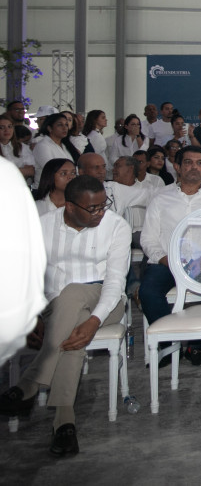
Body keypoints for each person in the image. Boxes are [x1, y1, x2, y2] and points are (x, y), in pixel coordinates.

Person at [0, 174, 129, 456]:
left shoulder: (116, 226)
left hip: (104, 302)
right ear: (70, 206)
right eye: (92, 208)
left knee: (73, 294)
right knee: (72, 329)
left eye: (103, 205)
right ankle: (64, 425)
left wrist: (94, 321)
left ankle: (30, 383)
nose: (100, 212)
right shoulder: (43, 225)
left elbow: (115, 282)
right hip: (55, 306)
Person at [139, 145, 201, 365]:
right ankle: (168, 345)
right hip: (166, 262)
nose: (195, 167)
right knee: (148, 292)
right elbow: (148, 238)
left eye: (200, 163)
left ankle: (196, 345)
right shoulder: (160, 198)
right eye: (188, 162)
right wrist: (166, 259)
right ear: (177, 166)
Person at [1, 115, 36, 180]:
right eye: (1, 127)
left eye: (9, 126)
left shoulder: (22, 147)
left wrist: (7, 172)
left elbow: (31, 171)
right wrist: (21, 170)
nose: (7, 130)